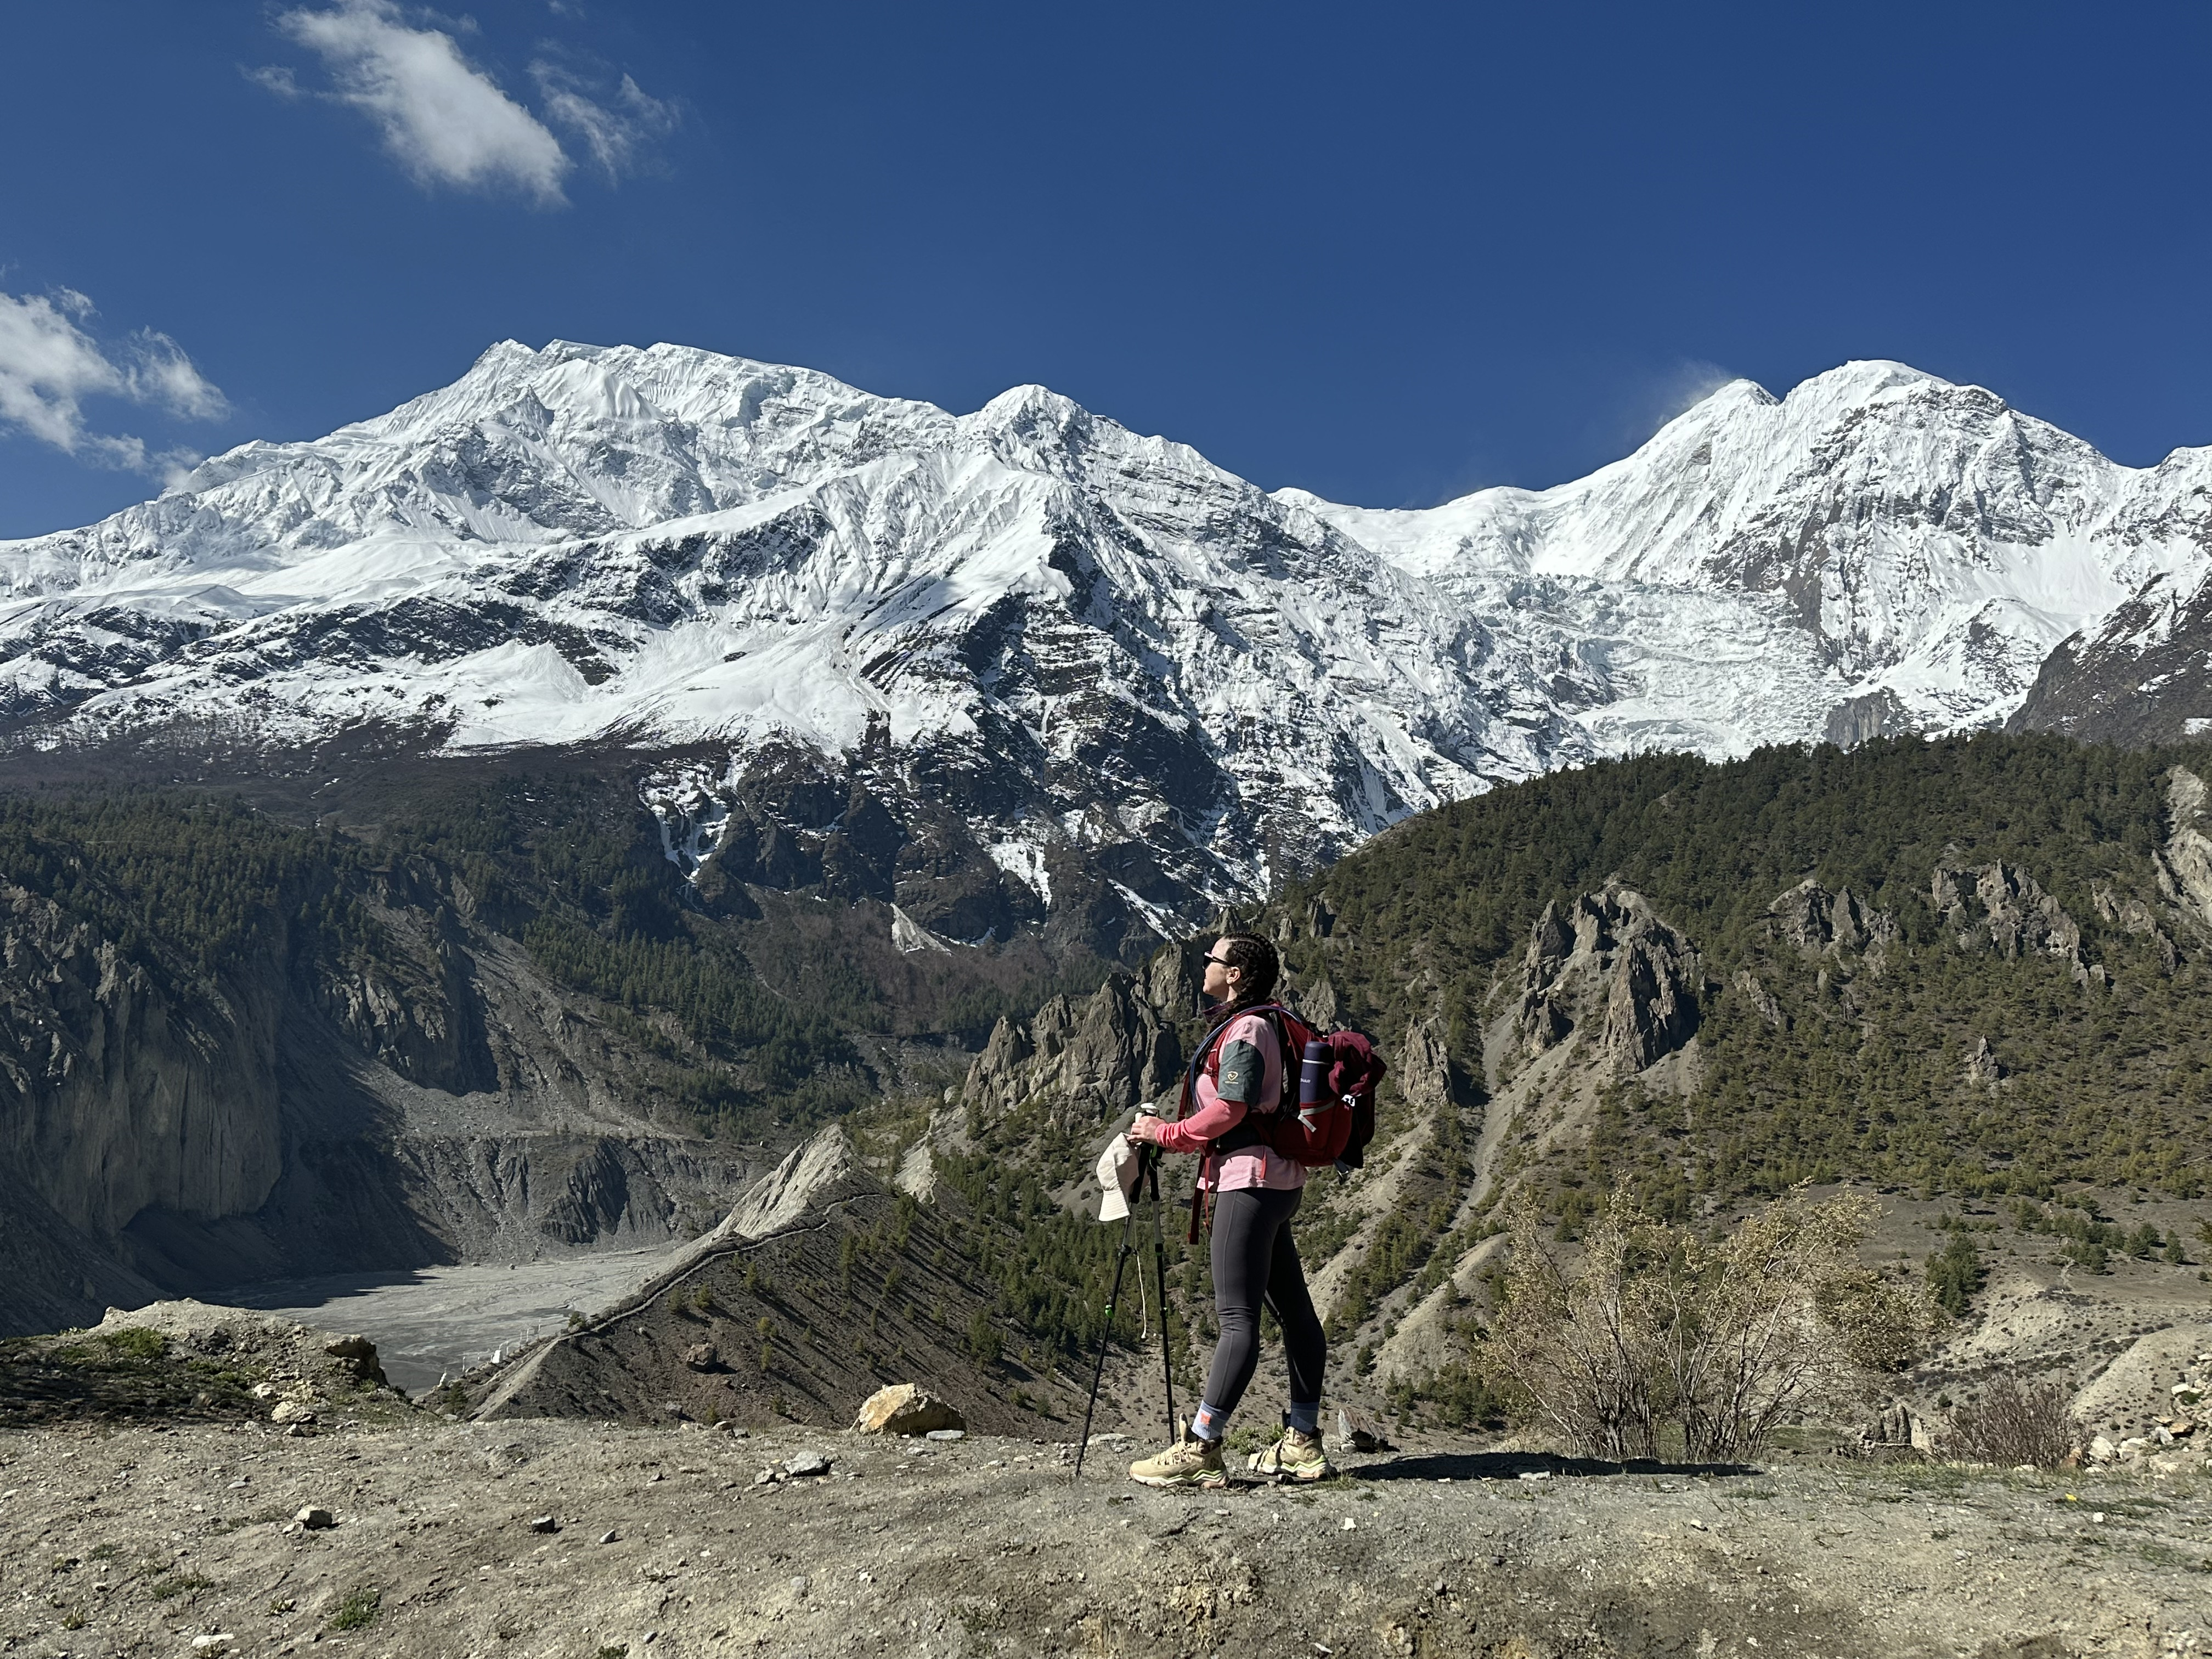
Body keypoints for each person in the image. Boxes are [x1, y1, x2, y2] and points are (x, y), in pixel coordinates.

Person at [1124, 932, 1331, 1488]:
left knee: (1237, 1322)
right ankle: (1304, 1441)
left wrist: (1164, 1134)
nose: (1204, 966)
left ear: (1235, 973)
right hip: (1281, 1182)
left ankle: (1202, 1445)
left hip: (1249, 1184)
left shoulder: (1246, 1029)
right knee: (1296, 1316)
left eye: (1212, 960)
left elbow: (1229, 1109)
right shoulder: (1274, 1023)